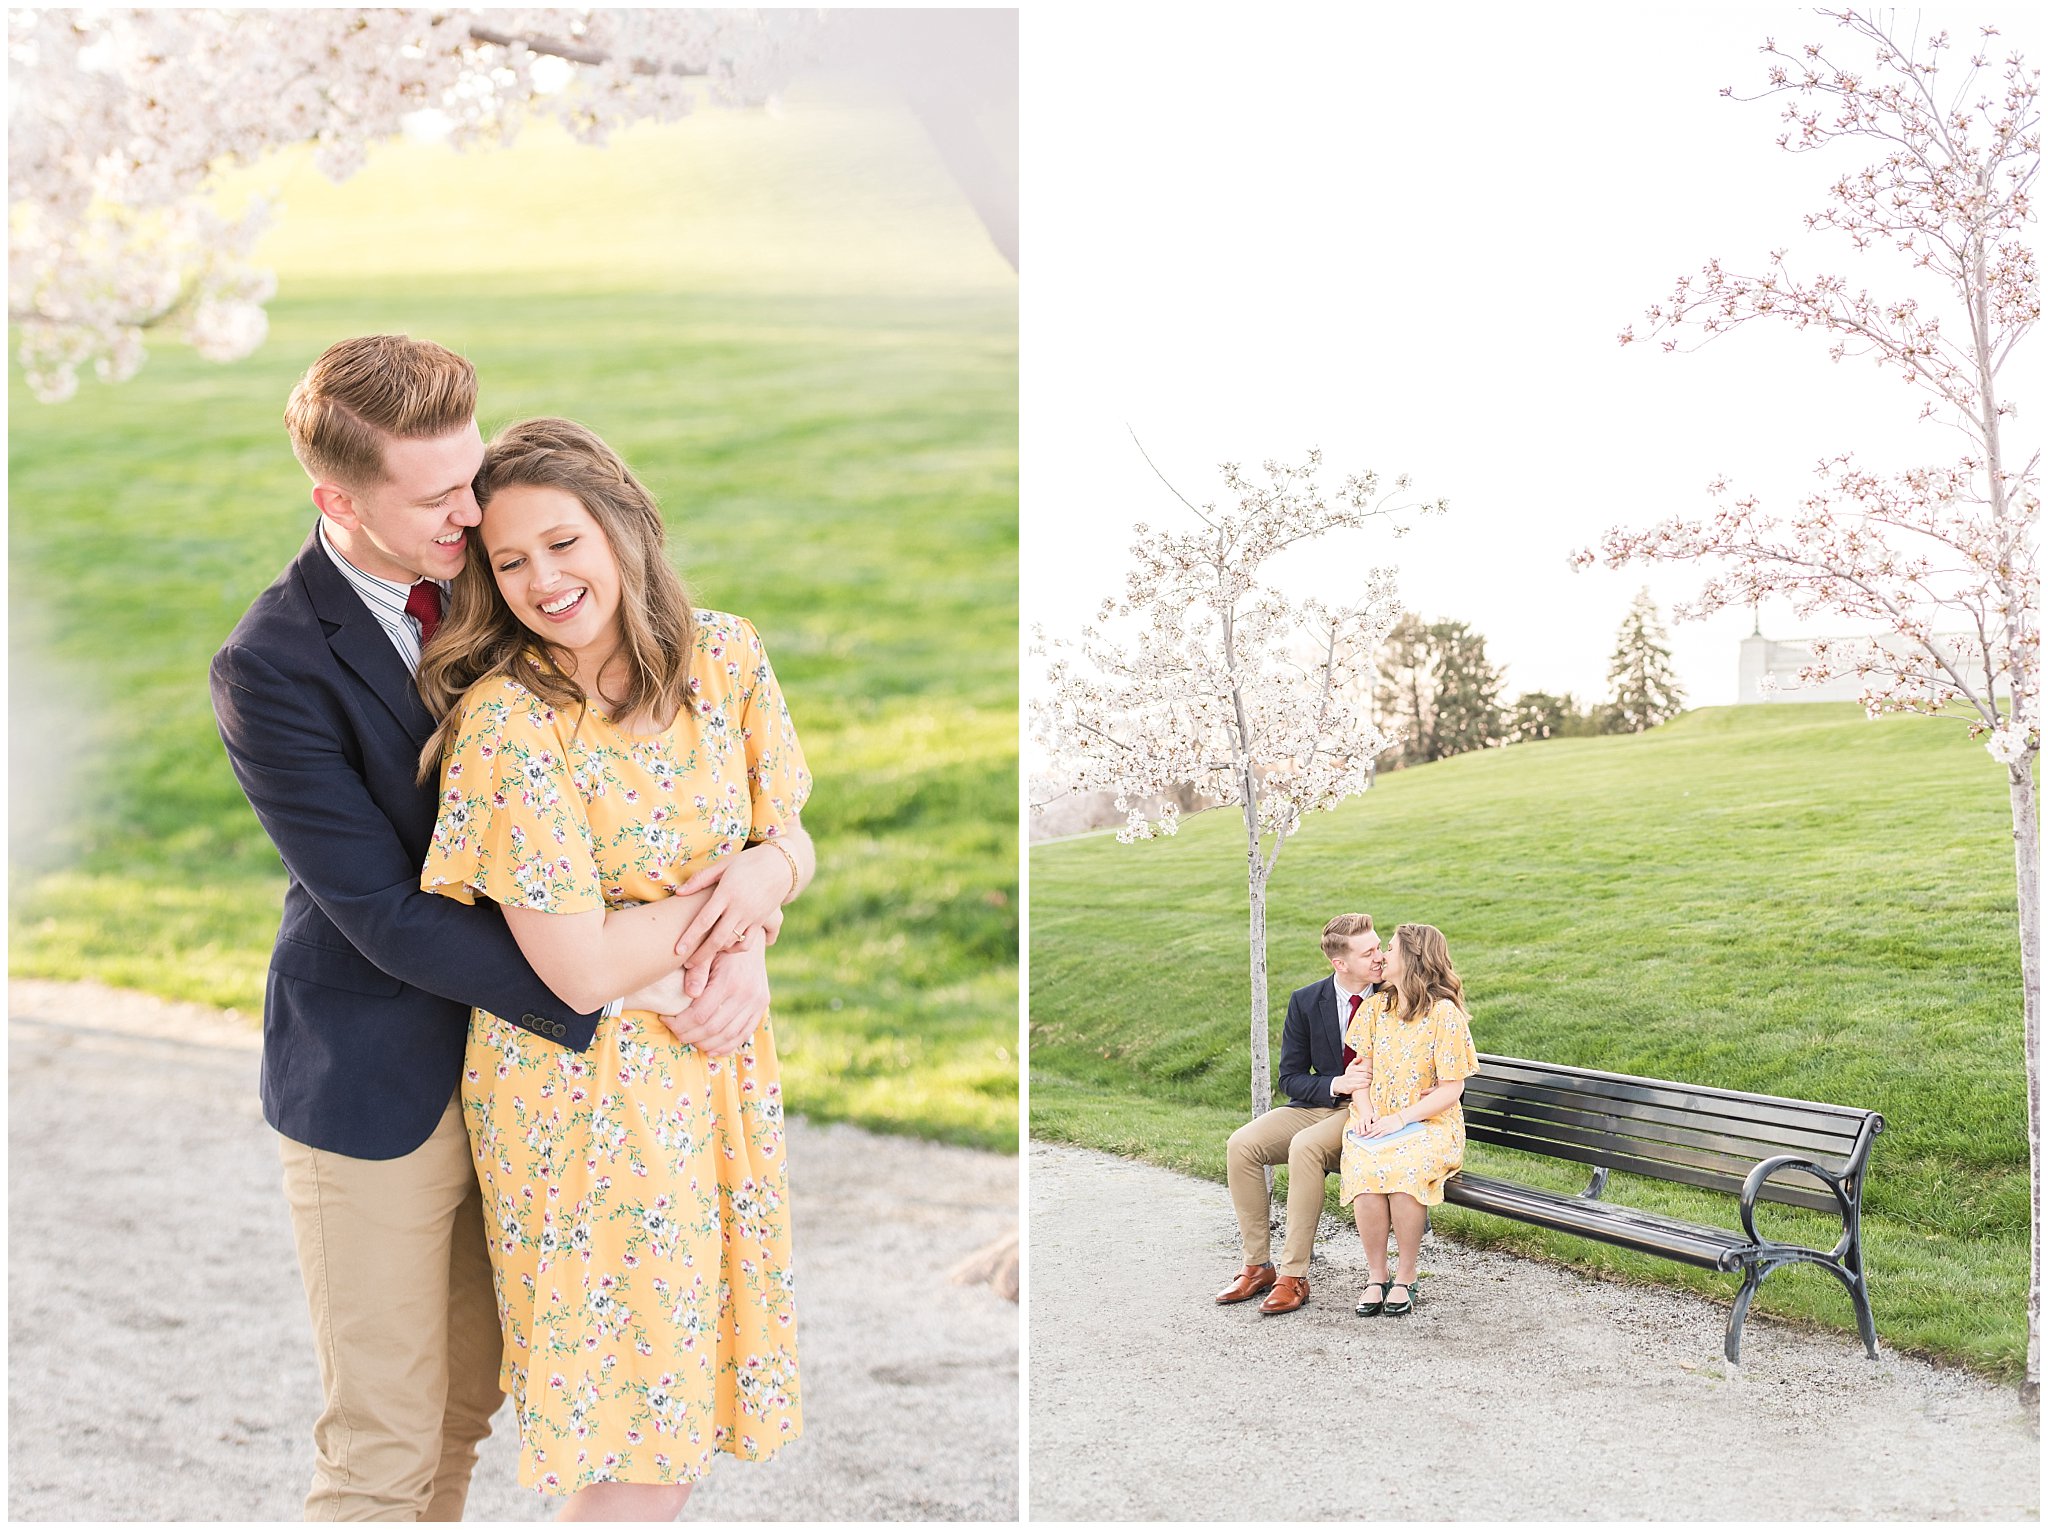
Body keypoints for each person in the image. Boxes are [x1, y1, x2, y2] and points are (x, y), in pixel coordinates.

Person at [210, 334, 783, 1521]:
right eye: (435, 497)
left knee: (465, 1416)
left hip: (547, 1096)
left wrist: (770, 879)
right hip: (385, 1079)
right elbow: (378, 914)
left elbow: (672, 788)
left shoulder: (504, 560)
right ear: (339, 500)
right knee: (382, 1442)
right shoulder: (270, 665)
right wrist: (637, 977)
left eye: (470, 476)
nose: (470, 515)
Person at [415, 416, 814, 1517]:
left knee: (674, 1414)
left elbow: (788, 833)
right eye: (509, 562)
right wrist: (729, 920)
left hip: (710, 1068)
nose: (543, 579)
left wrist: (764, 886)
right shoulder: (509, 724)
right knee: (630, 1425)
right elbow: (579, 969)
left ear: (622, 528)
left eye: (562, 542)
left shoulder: (723, 659)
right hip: (582, 1093)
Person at [1215, 912, 1384, 1316]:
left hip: (1371, 1112)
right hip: (1320, 1103)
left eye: (1379, 947)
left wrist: (1357, 1091)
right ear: (1339, 963)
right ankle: (1257, 1265)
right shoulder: (1307, 1000)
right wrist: (1334, 1084)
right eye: (1369, 952)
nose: (1380, 957)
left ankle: (1295, 1275)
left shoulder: (1395, 994)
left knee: (1305, 1148)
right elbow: (1290, 1078)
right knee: (1242, 1144)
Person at [1340, 922, 1479, 1317]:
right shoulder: (1375, 1008)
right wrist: (1365, 1112)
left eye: (1391, 949)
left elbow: (1451, 1090)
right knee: (1366, 1171)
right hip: (1378, 1120)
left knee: (1403, 1173)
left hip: (1429, 1124)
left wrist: (1400, 1119)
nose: (1382, 955)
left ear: (1412, 958)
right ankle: (1376, 1275)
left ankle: (1406, 1274)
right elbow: (1360, 1074)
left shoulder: (1443, 1015)